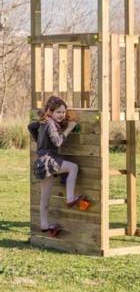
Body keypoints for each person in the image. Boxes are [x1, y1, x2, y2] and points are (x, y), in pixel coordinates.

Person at [28, 96, 90, 237]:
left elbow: (30, 127)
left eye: (63, 112)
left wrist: (39, 140)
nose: (62, 115)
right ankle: (69, 198)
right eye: (58, 112)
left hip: (41, 164)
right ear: (50, 111)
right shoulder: (50, 123)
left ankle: (44, 225)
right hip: (49, 161)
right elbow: (57, 142)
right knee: (73, 168)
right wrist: (68, 128)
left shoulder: (44, 122)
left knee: (45, 197)